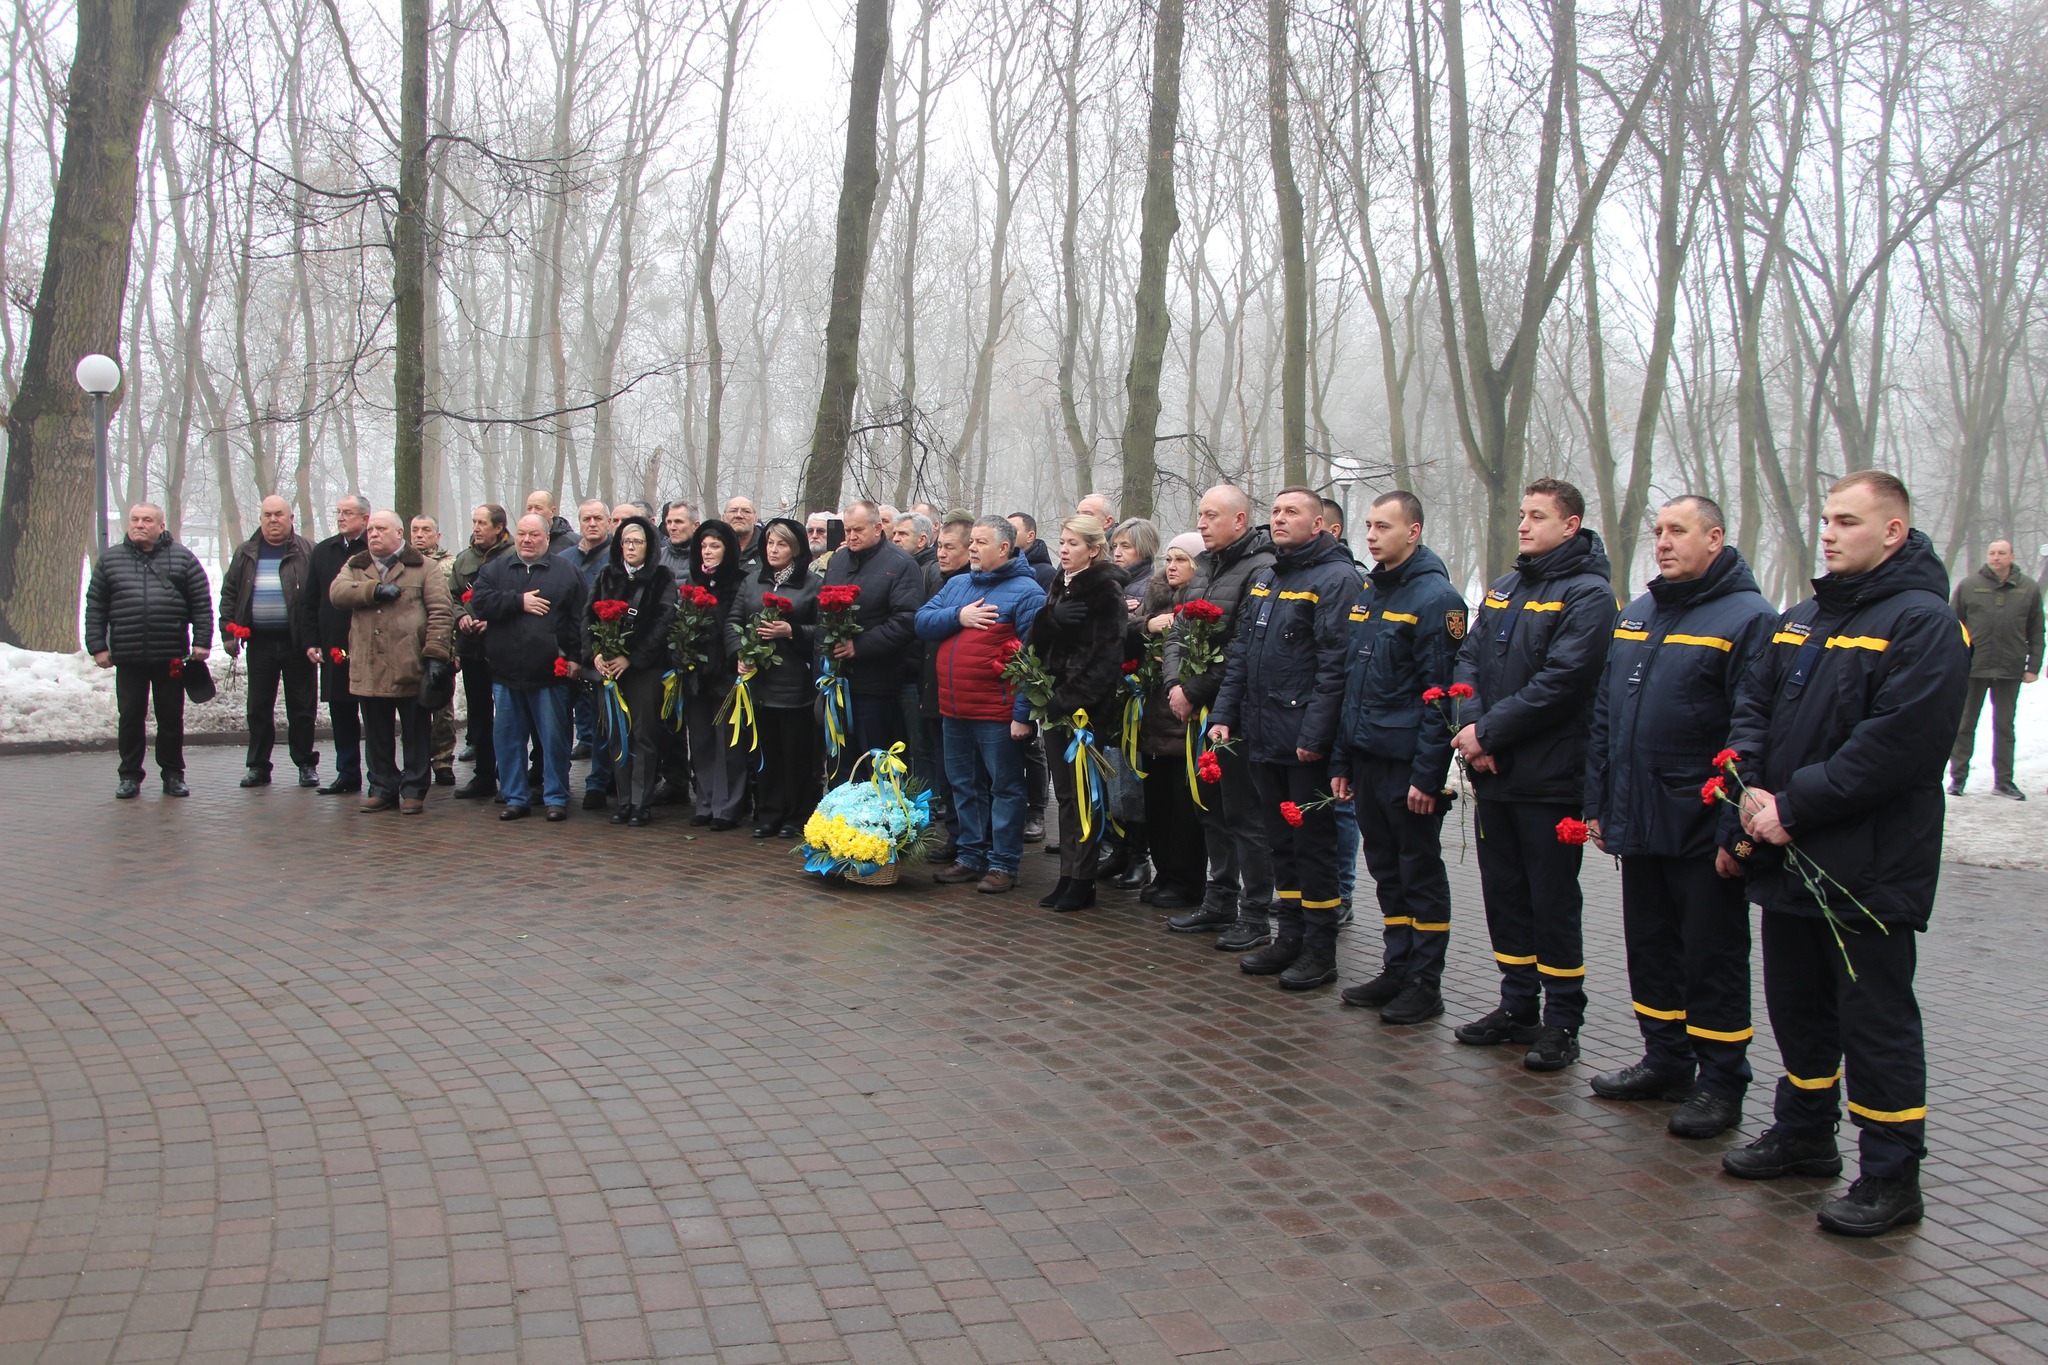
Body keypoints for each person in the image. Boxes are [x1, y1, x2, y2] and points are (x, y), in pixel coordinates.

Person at [1723, 471, 1969, 1237]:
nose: (1828, 533)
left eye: (1848, 521)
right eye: (1826, 519)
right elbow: (1753, 707)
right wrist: (1751, 792)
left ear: (1893, 531)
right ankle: (1804, 1131)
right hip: (1788, 854)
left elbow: (1894, 748)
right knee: (1798, 1007)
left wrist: (1793, 808)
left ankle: (1892, 1173)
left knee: (1875, 1020)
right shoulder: (1803, 617)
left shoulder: (1925, 624)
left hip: (1866, 868)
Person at [1583, 496, 1777, 1138]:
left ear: (1716, 537)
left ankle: (1721, 1083)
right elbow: (1606, 718)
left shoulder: (1748, 619)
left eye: (1678, 531)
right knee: (1651, 948)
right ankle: (1665, 1060)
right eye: (1658, 531)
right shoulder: (1637, 614)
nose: (1662, 543)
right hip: (1640, 819)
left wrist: (1734, 833)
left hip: (1700, 826)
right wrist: (1602, 804)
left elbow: (1752, 732)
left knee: (1711, 957)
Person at [1451, 478, 1614, 1071]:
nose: (1523, 525)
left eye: (1537, 516)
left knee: (1551, 902)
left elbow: (1563, 683)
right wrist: (1474, 731)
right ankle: (1516, 1005)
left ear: (1570, 525)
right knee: (1506, 896)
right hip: (1494, 770)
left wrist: (1488, 732)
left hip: (1550, 779)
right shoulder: (1506, 587)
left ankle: (1562, 1020)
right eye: (1522, 514)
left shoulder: (1590, 595)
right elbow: (1467, 659)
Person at [1208, 488, 1360, 989]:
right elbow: (1242, 655)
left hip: (1302, 745)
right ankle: (1288, 938)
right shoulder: (1270, 577)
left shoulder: (1337, 580)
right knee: (1281, 845)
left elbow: (1334, 667)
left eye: (1292, 512)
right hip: (1262, 735)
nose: (1279, 519)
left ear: (1319, 524)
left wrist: (1315, 736)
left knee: (1313, 848)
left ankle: (1320, 949)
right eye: (1275, 511)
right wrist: (1225, 714)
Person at [1327, 491, 1467, 1025]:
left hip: (1407, 765)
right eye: (1367, 525)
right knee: (1386, 870)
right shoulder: (1369, 592)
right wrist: (1341, 761)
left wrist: (1428, 776)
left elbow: (1441, 697)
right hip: (1366, 758)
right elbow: (1352, 685)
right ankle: (1396, 967)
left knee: (1419, 874)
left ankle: (1424, 982)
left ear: (1414, 531)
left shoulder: (1437, 600)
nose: (1370, 535)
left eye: (1383, 526)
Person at [1162, 485, 1276, 946]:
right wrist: (1174, 684)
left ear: (1240, 520)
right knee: (1208, 808)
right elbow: (1179, 631)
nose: (1202, 524)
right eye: (1200, 516)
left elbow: (1241, 646)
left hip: (1234, 709)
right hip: (1194, 704)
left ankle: (1254, 914)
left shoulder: (1261, 569)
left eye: (1211, 516)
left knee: (1243, 815)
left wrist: (1193, 689)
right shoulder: (1206, 565)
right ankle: (1219, 899)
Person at [918, 515, 1047, 894]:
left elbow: (1034, 659)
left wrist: (1023, 714)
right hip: (953, 708)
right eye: (970, 541)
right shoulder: (958, 585)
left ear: (1004, 548)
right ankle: (970, 856)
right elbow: (923, 622)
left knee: (1005, 788)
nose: (971, 548)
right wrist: (958, 616)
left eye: (980, 542)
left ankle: (1003, 864)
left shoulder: (1028, 593)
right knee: (963, 784)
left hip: (997, 712)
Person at [1028, 515, 1129, 911]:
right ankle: (1068, 874)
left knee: (1085, 795)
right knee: (1066, 795)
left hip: (1083, 711)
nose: (1065, 550)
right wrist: (1050, 619)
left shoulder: (1105, 589)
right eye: (1063, 542)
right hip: (1054, 703)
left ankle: (1083, 879)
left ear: (1094, 549)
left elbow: (1107, 658)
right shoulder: (1059, 581)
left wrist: (1069, 698)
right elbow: (1036, 640)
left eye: (1073, 543)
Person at [329, 511, 456, 814]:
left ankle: (414, 789)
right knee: (376, 734)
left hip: (409, 664)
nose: (373, 534)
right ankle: (382, 787)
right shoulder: (357, 564)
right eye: (370, 529)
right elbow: (337, 593)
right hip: (369, 665)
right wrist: (372, 591)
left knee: (415, 732)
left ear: (399, 534)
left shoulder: (424, 568)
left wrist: (437, 656)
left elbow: (441, 612)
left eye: (381, 529)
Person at [85, 504, 212, 799]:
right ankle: (129, 775)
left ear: (160, 525)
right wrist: (98, 646)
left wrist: (202, 641)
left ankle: (173, 774)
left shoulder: (183, 559)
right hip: (128, 656)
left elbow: (201, 603)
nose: (139, 525)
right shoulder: (110, 561)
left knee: (170, 717)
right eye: (134, 519)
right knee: (130, 716)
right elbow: (96, 606)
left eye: (147, 520)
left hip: (170, 655)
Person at [466, 512, 587, 820]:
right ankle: (515, 796)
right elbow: (481, 602)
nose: (527, 540)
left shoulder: (566, 572)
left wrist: (575, 657)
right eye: (521, 534)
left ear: (547, 538)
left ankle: (556, 797)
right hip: (506, 672)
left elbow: (579, 620)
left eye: (534, 535)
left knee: (554, 740)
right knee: (508, 740)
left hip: (551, 673)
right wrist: (518, 602)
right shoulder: (496, 569)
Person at [818, 500, 928, 783]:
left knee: (875, 762)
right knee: (841, 762)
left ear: (878, 528)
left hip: (877, 685)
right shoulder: (839, 560)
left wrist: (860, 646)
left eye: (858, 530)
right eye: (847, 530)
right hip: (838, 682)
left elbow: (906, 620)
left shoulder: (901, 564)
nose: (851, 536)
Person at [582, 514, 677, 827]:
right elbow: (588, 619)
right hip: (608, 670)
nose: (631, 547)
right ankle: (624, 800)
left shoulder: (662, 577)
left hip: (643, 670)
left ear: (649, 546)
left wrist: (632, 658)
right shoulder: (606, 576)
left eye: (638, 541)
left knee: (643, 735)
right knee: (616, 734)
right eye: (626, 541)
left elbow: (663, 623)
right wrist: (596, 654)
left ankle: (641, 801)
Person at [218, 494, 318, 789]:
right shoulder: (245, 553)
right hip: (259, 643)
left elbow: (317, 597)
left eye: (279, 514)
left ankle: (306, 764)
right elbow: (229, 594)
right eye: (267, 515)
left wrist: (316, 638)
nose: (273, 520)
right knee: (258, 708)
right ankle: (258, 766)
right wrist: (228, 632)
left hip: (297, 643)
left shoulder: (308, 551)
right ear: (260, 519)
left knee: (302, 708)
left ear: (290, 518)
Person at [731, 518, 821, 838]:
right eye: (770, 542)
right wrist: (740, 654)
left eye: (781, 544)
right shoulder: (752, 581)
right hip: (759, 684)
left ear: (795, 549)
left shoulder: (812, 584)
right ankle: (768, 813)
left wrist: (792, 630)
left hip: (795, 685)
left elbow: (821, 630)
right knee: (764, 753)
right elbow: (734, 622)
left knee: (796, 754)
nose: (773, 549)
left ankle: (796, 815)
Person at [1133, 532, 1208, 911]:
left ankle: (1186, 880)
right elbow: (1127, 633)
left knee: (1185, 810)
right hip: (1153, 721)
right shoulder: (1156, 599)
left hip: (1185, 723)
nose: (1173, 566)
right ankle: (1164, 873)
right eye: (1170, 559)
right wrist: (1148, 625)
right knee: (1158, 806)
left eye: (1183, 560)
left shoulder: (1206, 604)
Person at [1948, 538, 2043, 798]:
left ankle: (2003, 781)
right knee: (1965, 724)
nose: (1996, 557)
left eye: (2002, 553)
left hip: (2010, 667)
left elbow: (2036, 629)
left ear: (2012, 557)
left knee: (2004, 726)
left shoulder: (2029, 589)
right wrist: (1953, 660)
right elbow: (1951, 625)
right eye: (1992, 553)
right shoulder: (1969, 586)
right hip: (1973, 666)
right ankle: (1957, 779)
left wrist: (2033, 665)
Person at [1100, 517, 1161, 888]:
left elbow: (1142, 630)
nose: (1118, 552)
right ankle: (1120, 850)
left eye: (1126, 546)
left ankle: (1139, 855)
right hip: (1110, 688)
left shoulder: (1151, 583)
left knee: (1131, 778)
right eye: (1115, 546)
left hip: (1136, 691)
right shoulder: (1111, 581)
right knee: (1113, 773)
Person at [683, 519, 750, 829]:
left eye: (715, 546)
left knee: (729, 745)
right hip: (696, 674)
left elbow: (737, 625)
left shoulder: (740, 583)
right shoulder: (691, 582)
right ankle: (706, 801)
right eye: (703, 546)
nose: (707, 552)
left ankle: (728, 806)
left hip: (726, 673)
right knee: (700, 741)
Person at [304, 494, 372, 795]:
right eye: (339, 512)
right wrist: (311, 640)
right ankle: (347, 772)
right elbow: (310, 600)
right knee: (341, 710)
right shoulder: (323, 552)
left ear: (365, 519)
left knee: (373, 710)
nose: (342, 518)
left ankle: (379, 774)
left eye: (349, 513)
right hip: (334, 643)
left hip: (370, 642)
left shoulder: (375, 550)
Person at [449, 504, 514, 799]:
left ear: (499, 527)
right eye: (474, 522)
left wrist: (494, 619)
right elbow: (449, 596)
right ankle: (484, 775)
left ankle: (510, 776)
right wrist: (460, 614)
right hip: (472, 649)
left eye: (482, 523)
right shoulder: (463, 559)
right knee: (479, 715)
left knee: (509, 716)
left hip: (503, 649)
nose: (476, 528)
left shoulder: (513, 557)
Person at [920, 519, 974, 859]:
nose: (941, 553)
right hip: (934, 689)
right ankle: (956, 838)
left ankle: (971, 842)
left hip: (965, 697)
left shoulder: (971, 584)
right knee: (945, 773)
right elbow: (922, 622)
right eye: (939, 546)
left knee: (966, 775)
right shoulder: (936, 579)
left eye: (949, 547)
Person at [562, 499, 615, 776]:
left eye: (598, 518)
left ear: (608, 521)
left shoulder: (617, 557)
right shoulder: (564, 559)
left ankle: (601, 777)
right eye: (586, 519)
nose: (592, 523)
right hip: (571, 648)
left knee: (603, 719)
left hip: (604, 650)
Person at [408, 514, 458, 786]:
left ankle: (442, 760)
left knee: (442, 708)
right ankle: (414, 759)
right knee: (410, 705)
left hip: (442, 646)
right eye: (415, 529)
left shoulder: (450, 565)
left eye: (426, 530)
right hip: (409, 647)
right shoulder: (401, 565)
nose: (419, 535)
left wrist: (455, 649)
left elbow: (455, 606)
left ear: (437, 536)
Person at [524, 489, 578, 556]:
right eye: (529, 508)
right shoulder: (521, 542)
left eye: (538, 508)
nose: (532, 512)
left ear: (552, 511)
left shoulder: (574, 543)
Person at [658, 500, 699, 579]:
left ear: (695, 526)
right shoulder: (657, 557)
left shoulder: (706, 557)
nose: (672, 527)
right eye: (669, 522)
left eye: (678, 522)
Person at [725, 496, 764, 575]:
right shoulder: (708, 549)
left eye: (746, 511)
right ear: (723, 517)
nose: (739, 515)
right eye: (733, 511)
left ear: (755, 519)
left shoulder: (768, 551)